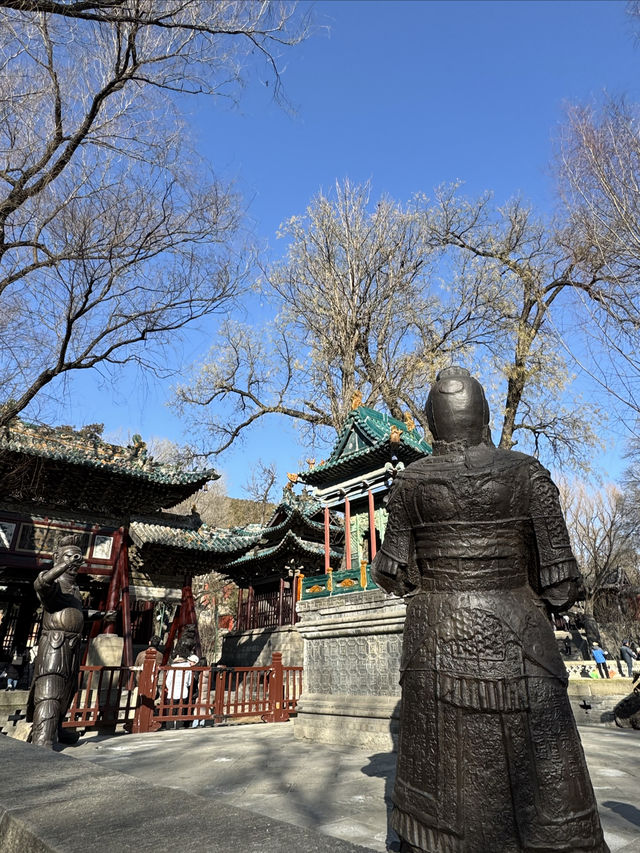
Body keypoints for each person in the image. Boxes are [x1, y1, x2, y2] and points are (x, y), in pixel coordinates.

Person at [371, 366, 608, 853]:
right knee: (546, 775)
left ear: (432, 423)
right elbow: (562, 582)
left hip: (434, 634)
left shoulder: (410, 484)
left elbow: (390, 573)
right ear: (483, 417)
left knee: (439, 771)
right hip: (521, 633)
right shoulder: (526, 473)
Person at [26, 535, 115, 748]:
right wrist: (65, 563)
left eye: (78, 559)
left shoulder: (74, 589)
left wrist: (101, 615)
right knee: (51, 689)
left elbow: (77, 612)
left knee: (67, 690)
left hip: (73, 646)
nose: (75, 563)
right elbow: (41, 584)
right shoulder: (55, 584)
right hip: (56, 645)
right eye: (69, 557)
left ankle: (57, 728)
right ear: (57, 558)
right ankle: (43, 736)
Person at [164, 646, 194, 729]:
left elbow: (168, 681)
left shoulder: (172, 667)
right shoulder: (188, 667)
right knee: (181, 710)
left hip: (172, 691)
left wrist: (170, 688)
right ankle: (180, 726)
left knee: (171, 711)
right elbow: (189, 682)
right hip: (183, 691)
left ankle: (169, 726)